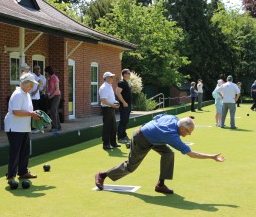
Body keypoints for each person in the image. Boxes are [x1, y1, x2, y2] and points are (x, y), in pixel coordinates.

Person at [95, 114, 225, 194]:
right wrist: (211, 157)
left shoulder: (173, 118)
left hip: (154, 138)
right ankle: (102, 175)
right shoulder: (172, 136)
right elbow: (191, 154)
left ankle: (160, 184)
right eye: (188, 132)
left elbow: (157, 117)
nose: (188, 135)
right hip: (141, 139)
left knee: (168, 154)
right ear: (181, 128)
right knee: (130, 167)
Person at [4, 72, 40, 183]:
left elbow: (26, 110)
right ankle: (11, 176)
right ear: (24, 83)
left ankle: (23, 172)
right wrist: (31, 114)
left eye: (33, 84)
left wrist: (33, 113)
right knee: (15, 151)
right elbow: (16, 111)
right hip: (14, 127)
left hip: (24, 127)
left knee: (25, 151)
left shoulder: (27, 94)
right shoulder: (18, 94)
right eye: (30, 84)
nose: (32, 86)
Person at [99, 71, 120, 150]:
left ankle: (113, 143)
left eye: (112, 77)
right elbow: (103, 100)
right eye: (111, 77)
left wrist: (115, 103)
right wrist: (112, 105)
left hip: (111, 108)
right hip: (106, 109)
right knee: (107, 127)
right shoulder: (104, 87)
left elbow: (110, 98)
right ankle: (106, 144)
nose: (113, 78)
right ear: (106, 78)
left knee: (113, 126)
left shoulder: (109, 86)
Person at [116, 69, 132, 144]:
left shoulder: (126, 83)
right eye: (128, 73)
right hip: (124, 106)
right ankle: (120, 137)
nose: (130, 74)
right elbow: (118, 93)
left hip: (128, 106)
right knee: (123, 121)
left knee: (126, 121)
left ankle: (124, 135)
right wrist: (124, 102)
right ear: (124, 74)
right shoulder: (121, 82)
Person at [44, 66, 61, 131]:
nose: (45, 73)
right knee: (54, 111)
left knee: (52, 110)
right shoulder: (49, 79)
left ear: (48, 72)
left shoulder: (55, 78)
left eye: (46, 72)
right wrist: (47, 81)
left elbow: (57, 89)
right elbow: (48, 89)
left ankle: (54, 127)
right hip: (51, 96)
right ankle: (58, 126)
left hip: (56, 96)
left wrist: (51, 96)